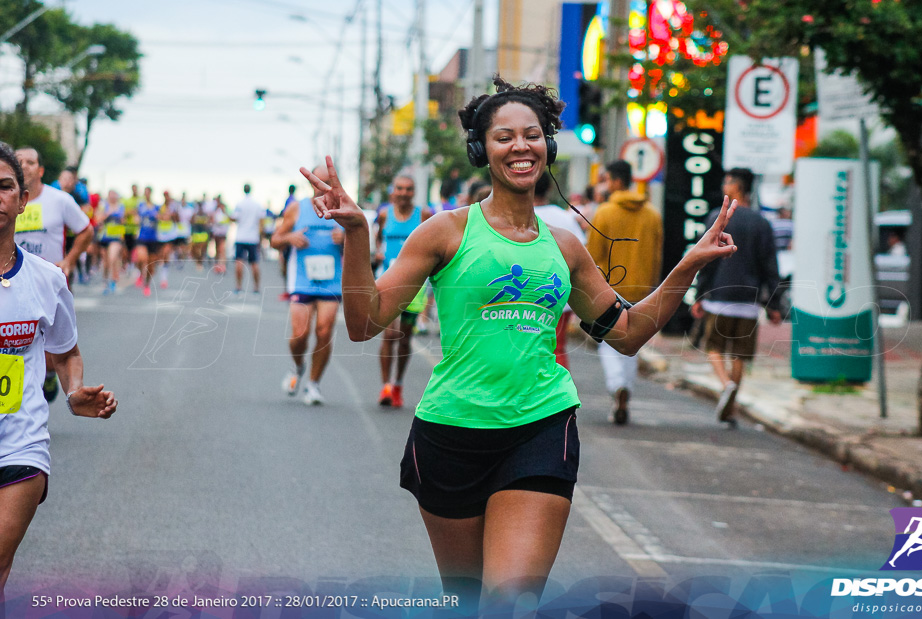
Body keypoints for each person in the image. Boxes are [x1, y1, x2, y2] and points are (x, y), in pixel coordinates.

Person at [299, 77, 738, 610]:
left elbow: (626, 335)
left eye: (532, 135)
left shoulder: (565, 246)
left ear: (548, 146)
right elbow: (364, 322)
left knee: (510, 599)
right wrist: (358, 234)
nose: (520, 147)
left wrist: (687, 265)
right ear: (481, 149)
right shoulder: (445, 231)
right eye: (503, 137)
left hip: (540, 425)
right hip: (450, 433)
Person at [0, 141, 117, 601]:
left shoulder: (47, 279)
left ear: (23, 199)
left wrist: (73, 393)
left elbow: (66, 352)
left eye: (5, 186)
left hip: (20, 443)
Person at [691, 167, 782, 424]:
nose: (723, 188)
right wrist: (773, 304)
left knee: (713, 347)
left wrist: (699, 295)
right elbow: (770, 266)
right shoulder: (762, 223)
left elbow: (704, 260)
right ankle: (731, 404)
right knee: (740, 354)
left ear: (737, 187)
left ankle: (725, 386)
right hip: (748, 303)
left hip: (718, 297)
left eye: (727, 183)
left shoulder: (716, 219)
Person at [586, 160, 663, 425]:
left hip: (609, 288)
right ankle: (625, 390)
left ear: (616, 181)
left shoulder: (604, 212)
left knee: (609, 342)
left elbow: (593, 255)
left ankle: (617, 385)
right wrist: (652, 286)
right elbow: (656, 255)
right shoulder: (652, 214)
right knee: (633, 343)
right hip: (642, 288)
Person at [14, 148, 94, 402]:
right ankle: (20, 402)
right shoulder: (6, 201)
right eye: (19, 162)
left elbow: (85, 231)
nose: (24, 166)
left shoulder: (59, 200)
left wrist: (69, 261)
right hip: (12, 281)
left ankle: (47, 374)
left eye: (30, 162)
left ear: (40, 170)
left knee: (51, 351)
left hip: (48, 283)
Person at [271, 165, 345, 406]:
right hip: (302, 279)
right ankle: (298, 365)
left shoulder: (344, 209)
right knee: (299, 334)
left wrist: (347, 238)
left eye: (328, 183)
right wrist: (289, 238)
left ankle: (313, 384)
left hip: (332, 281)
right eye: (318, 182)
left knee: (324, 331)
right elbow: (275, 239)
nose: (323, 187)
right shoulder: (297, 208)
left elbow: (364, 244)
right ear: (312, 184)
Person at [375, 174, 433, 408]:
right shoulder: (384, 214)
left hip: (414, 283)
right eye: (399, 188)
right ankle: (385, 386)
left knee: (405, 337)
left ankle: (398, 382)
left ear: (414, 191)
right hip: (388, 280)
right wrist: (378, 253)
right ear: (393, 190)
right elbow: (379, 238)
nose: (403, 193)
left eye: (408, 189)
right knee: (389, 334)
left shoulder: (424, 215)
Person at [533, 172, 586, 370]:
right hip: (557, 294)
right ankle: (561, 398)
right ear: (549, 188)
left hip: (521, 296)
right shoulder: (565, 217)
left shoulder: (515, 216)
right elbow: (582, 254)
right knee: (557, 348)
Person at [232, 183, 265, 295]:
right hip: (253, 237)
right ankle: (256, 287)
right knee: (254, 263)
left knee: (239, 262)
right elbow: (261, 221)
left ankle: (239, 286)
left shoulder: (239, 204)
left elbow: (235, 218)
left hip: (241, 236)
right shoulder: (257, 204)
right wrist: (261, 237)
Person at [94, 189, 126, 294]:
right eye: (110, 195)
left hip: (116, 237)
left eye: (114, 195)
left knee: (113, 258)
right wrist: (107, 214)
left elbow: (124, 221)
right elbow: (97, 219)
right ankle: (105, 280)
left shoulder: (121, 206)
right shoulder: (103, 206)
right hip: (104, 237)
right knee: (106, 263)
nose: (112, 197)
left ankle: (113, 280)